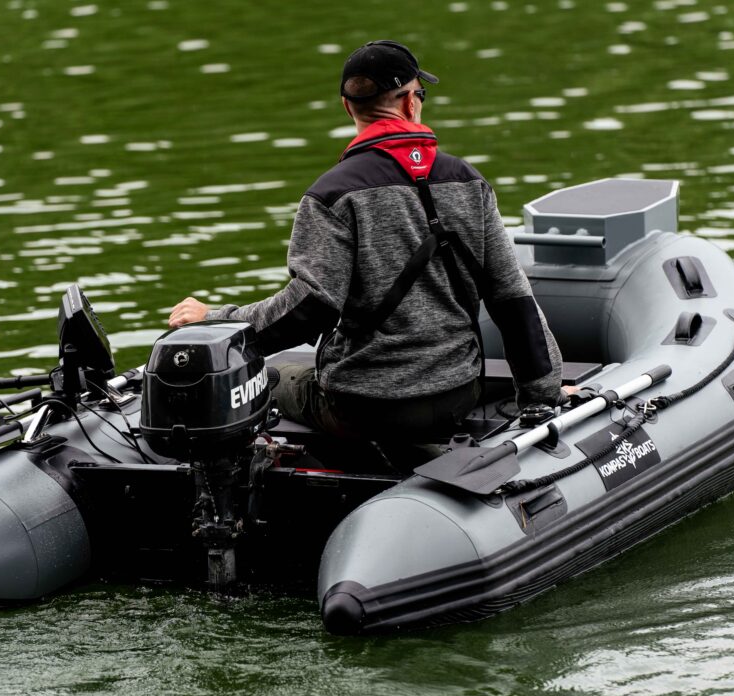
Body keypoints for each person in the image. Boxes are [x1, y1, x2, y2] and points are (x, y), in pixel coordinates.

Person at [169, 40, 563, 441]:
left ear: (348, 107)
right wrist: (543, 395)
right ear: (411, 102)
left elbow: (309, 310)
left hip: (361, 409)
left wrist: (218, 319)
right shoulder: (469, 183)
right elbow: (511, 299)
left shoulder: (331, 195)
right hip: (456, 398)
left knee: (270, 377)